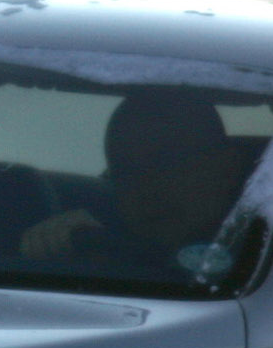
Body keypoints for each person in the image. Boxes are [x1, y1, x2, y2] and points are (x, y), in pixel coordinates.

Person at [20, 88, 260, 279]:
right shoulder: (95, 253)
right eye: (125, 171)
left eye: (166, 162)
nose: (144, 186)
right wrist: (61, 255)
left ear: (227, 169)